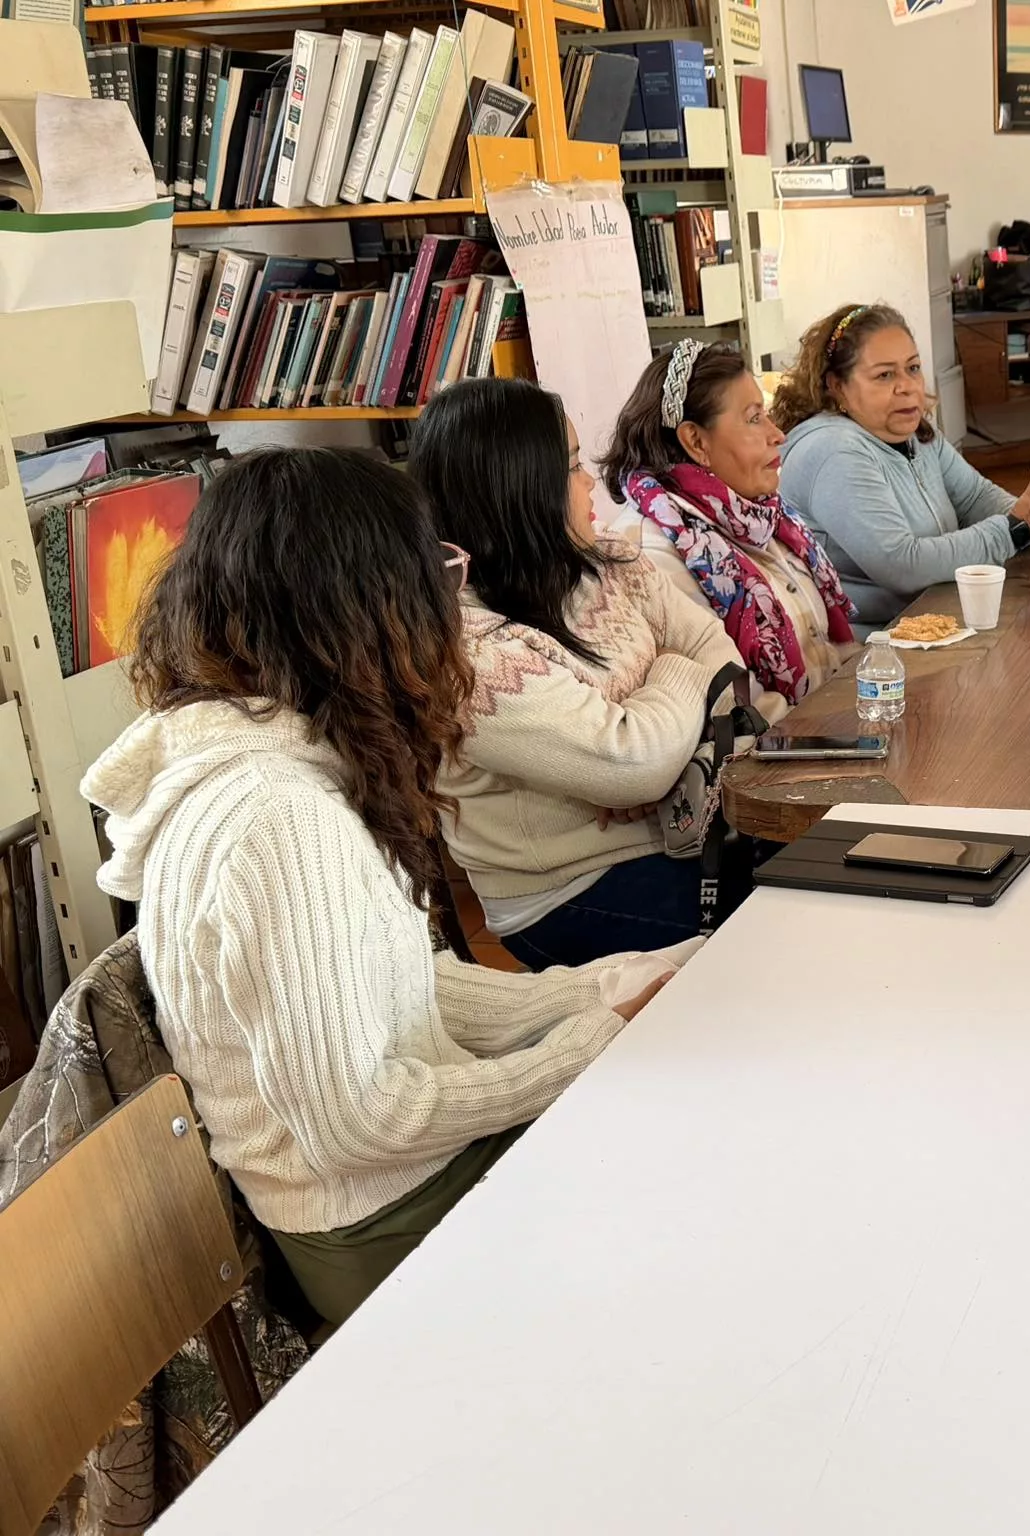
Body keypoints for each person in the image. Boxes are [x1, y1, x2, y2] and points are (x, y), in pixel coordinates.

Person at [80, 448, 691, 1328]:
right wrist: (587, 1045)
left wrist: (594, 991)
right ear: (366, 609)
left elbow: (394, 986)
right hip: (378, 1221)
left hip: (385, 1185)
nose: (451, 609)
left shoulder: (269, 758)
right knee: (681, 1176)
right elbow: (357, 1122)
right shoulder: (279, 819)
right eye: (435, 576)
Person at [412, 378, 745, 970]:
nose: (590, 481)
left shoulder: (605, 558)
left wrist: (669, 768)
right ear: (517, 489)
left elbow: (720, 655)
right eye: (570, 466)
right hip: (569, 891)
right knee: (773, 928)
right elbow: (633, 762)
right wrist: (671, 675)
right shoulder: (467, 652)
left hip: (679, 831)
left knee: (815, 875)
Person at [775, 303, 1030, 629]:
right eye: (885, 375)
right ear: (836, 386)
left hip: (936, 615)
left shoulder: (914, 433)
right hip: (875, 643)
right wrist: (1018, 529)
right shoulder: (833, 451)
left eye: (913, 368)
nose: (907, 386)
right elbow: (903, 565)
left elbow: (974, 497)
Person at [599, 338, 856, 709]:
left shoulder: (759, 515)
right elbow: (734, 710)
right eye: (753, 419)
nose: (777, 434)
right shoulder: (649, 554)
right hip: (781, 740)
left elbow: (827, 653)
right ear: (696, 441)